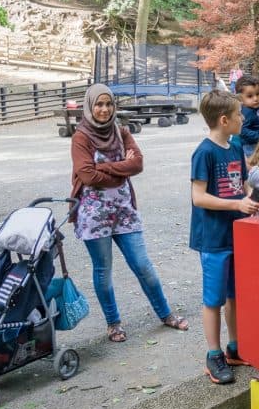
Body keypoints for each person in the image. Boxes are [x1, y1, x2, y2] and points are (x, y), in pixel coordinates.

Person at [70, 84, 188, 343]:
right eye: (98, 104)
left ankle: (165, 314)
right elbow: (86, 174)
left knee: (143, 265)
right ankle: (113, 324)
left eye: (108, 104)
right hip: (94, 215)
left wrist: (107, 167)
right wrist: (121, 169)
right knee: (103, 270)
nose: (103, 109)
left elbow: (138, 163)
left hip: (124, 210)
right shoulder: (81, 137)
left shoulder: (121, 132)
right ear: (90, 106)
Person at [190, 90, 259, 384]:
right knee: (214, 299)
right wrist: (236, 204)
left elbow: (242, 184)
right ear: (224, 120)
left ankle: (234, 347)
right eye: (238, 115)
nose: (242, 119)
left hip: (237, 235)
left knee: (235, 295)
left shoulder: (235, 148)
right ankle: (213, 354)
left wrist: (254, 198)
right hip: (214, 239)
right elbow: (198, 197)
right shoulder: (204, 152)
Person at [235, 75, 259, 158]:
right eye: (250, 96)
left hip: (257, 144)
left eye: (258, 94)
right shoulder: (247, 112)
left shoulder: (255, 108)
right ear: (240, 98)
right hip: (250, 146)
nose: (256, 98)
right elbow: (242, 130)